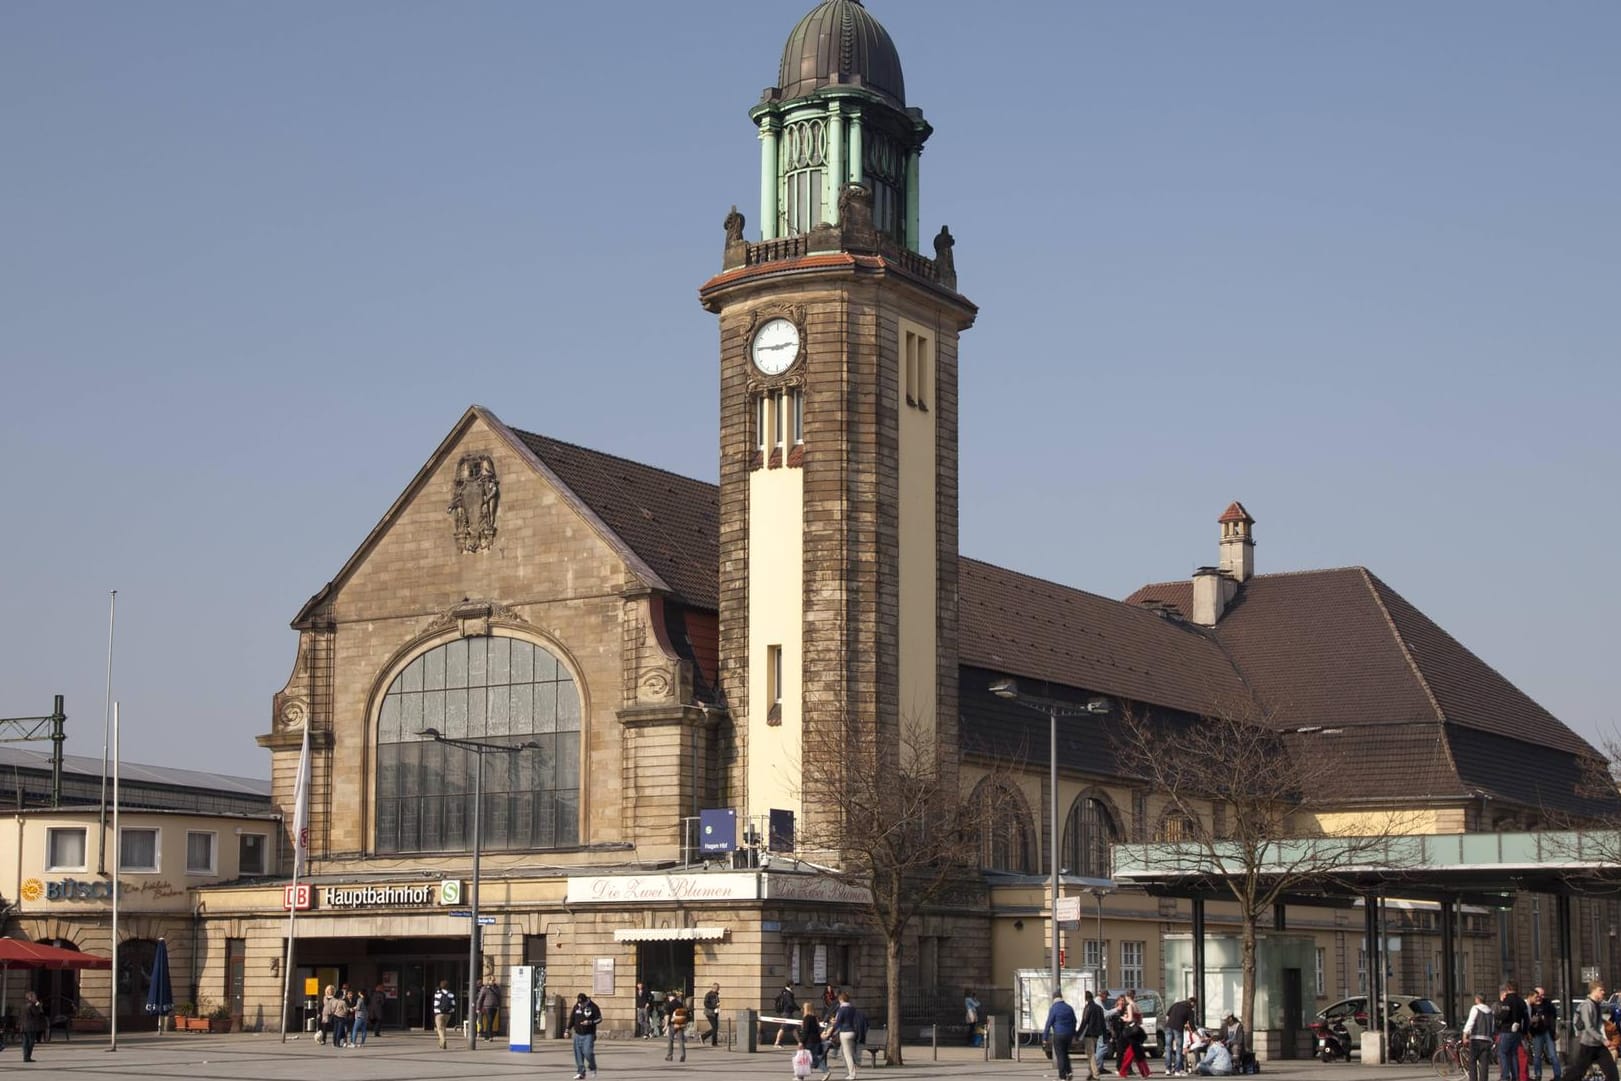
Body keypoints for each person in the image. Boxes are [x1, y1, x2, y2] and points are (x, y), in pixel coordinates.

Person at [1569, 981, 1618, 1081]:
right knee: (1576, 1073)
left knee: (1612, 1072)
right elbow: (1589, 1027)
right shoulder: (1587, 1005)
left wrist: (1604, 1039)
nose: (1603, 992)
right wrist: (1603, 1040)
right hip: (1587, 1045)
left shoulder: (1597, 1005)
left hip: (1599, 1046)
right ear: (1593, 991)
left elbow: (1599, 1026)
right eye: (1601, 990)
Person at [1044, 989, 1080, 1081]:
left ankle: (1062, 1076)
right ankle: (1069, 1072)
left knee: (1060, 1055)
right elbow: (1074, 1021)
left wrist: (1045, 1037)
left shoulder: (1054, 1008)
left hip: (1059, 1034)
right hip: (1068, 1035)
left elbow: (1049, 1023)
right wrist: (1073, 1033)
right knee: (1065, 1053)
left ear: (1054, 998)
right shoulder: (1069, 1007)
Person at [1498, 981, 1530, 1081]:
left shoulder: (1507, 1000)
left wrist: (1497, 1016)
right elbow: (1526, 1018)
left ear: (1508, 988)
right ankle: (1515, 1076)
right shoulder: (1521, 1001)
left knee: (1503, 1053)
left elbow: (1504, 1015)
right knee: (1514, 1054)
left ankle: (1505, 1076)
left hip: (1506, 1030)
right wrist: (1524, 1032)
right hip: (1517, 1032)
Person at [1529, 987, 1561, 1081]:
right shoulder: (1532, 1005)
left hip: (1548, 1031)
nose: (1541, 997)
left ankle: (1557, 1075)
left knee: (1553, 1054)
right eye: (1539, 995)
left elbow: (1553, 1018)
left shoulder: (1548, 1004)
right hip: (1537, 1032)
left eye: (1543, 995)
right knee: (1537, 1055)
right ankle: (1538, 1075)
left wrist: (1554, 1031)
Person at [568, 991, 602, 1080]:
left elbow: (599, 1019)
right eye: (579, 1003)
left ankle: (592, 1067)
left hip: (588, 1034)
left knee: (587, 1052)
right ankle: (581, 1072)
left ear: (586, 1000)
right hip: (578, 1034)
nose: (581, 1005)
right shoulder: (577, 1006)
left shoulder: (593, 1007)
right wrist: (567, 1029)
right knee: (578, 1054)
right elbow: (572, 1018)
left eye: (582, 1003)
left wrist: (590, 1022)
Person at [1464, 991, 1497, 1081]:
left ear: (1478, 999)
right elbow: (1492, 1027)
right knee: (1484, 1064)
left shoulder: (1475, 1008)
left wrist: (1465, 1034)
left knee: (1472, 1062)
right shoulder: (1490, 1012)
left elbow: (1470, 1022)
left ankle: (1473, 1079)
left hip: (1476, 1039)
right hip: (1487, 1040)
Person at [1118, 993, 1151, 1079]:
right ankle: (1145, 1072)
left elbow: (1130, 1019)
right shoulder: (1137, 1005)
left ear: (1127, 997)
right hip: (1137, 1030)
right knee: (1137, 1052)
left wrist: (1124, 1018)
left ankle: (1123, 1071)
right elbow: (1140, 1020)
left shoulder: (1130, 1006)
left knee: (1131, 1052)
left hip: (1131, 1032)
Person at [831, 991, 862, 1081]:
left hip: (845, 1032)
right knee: (847, 1053)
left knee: (847, 1055)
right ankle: (850, 1071)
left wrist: (833, 1024)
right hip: (852, 1031)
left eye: (839, 1000)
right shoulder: (852, 1009)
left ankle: (852, 1074)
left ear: (841, 999)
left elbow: (838, 1022)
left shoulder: (842, 1009)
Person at [1165, 996, 1197, 1075]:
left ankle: (1168, 1069)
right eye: (1194, 1005)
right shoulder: (1189, 1009)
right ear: (1192, 1002)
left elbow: (1167, 1015)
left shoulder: (1176, 1004)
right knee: (1179, 1049)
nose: (1194, 1006)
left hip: (1169, 1027)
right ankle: (1177, 1070)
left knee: (1168, 1048)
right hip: (1178, 1029)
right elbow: (1192, 1024)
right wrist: (1197, 1034)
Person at [1080, 989, 1107, 1081]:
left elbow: (1084, 1022)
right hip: (1097, 1034)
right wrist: (1105, 1036)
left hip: (1089, 1034)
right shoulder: (1099, 1008)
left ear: (1086, 998)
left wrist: (1078, 1034)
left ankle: (1095, 1075)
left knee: (1091, 1055)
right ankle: (1091, 1072)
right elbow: (1103, 1023)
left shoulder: (1087, 1008)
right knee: (1090, 1054)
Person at [800, 1000, 827, 1074]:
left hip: (809, 1041)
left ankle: (826, 1071)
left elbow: (806, 1031)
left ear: (806, 1009)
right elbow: (818, 1029)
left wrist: (801, 1041)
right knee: (811, 1058)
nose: (802, 1009)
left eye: (804, 1008)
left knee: (807, 1058)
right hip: (816, 1041)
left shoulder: (806, 1018)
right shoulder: (815, 1018)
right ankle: (800, 1076)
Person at [20, 991, 46, 1063]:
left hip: (24, 1026)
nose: (36, 998)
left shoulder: (23, 1005)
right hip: (31, 1026)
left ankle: (25, 1056)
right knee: (31, 1042)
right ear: (30, 997)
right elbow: (37, 1013)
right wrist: (38, 1005)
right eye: (34, 997)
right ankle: (28, 1057)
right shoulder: (32, 1005)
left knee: (25, 1042)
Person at [666, 990, 689, 1063]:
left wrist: (666, 1025)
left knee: (670, 1040)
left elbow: (667, 1015)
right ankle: (683, 1055)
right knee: (681, 1040)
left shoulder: (669, 1004)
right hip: (680, 1023)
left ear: (670, 997)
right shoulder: (680, 1004)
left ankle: (669, 1056)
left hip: (673, 1024)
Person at [432, 979, 456, 1050]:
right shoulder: (451, 994)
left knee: (439, 1028)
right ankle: (441, 1043)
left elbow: (436, 1003)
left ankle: (443, 1040)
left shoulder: (438, 993)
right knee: (444, 1027)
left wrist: (436, 1012)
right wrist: (451, 1011)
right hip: (448, 1014)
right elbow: (453, 1004)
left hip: (439, 1013)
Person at [775, 982, 799, 1046]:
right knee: (783, 1027)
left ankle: (799, 1042)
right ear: (790, 985)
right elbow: (791, 1003)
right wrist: (799, 1009)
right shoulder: (788, 993)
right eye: (793, 985)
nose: (794, 986)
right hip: (787, 1012)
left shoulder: (784, 992)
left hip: (785, 1012)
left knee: (793, 1027)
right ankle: (777, 1042)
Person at [703, 982, 722, 1046]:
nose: (718, 989)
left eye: (719, 988)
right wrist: (714, 1006)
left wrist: (717, 1007)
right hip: (709, 1013)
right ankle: (705, 1037)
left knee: (715, 1028)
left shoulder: (716, 994)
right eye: (717, 988)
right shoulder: (709, 994)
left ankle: (713, 1042)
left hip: (715, 1013)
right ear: (714, 988)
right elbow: (706, 1004)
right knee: (715, 1028)